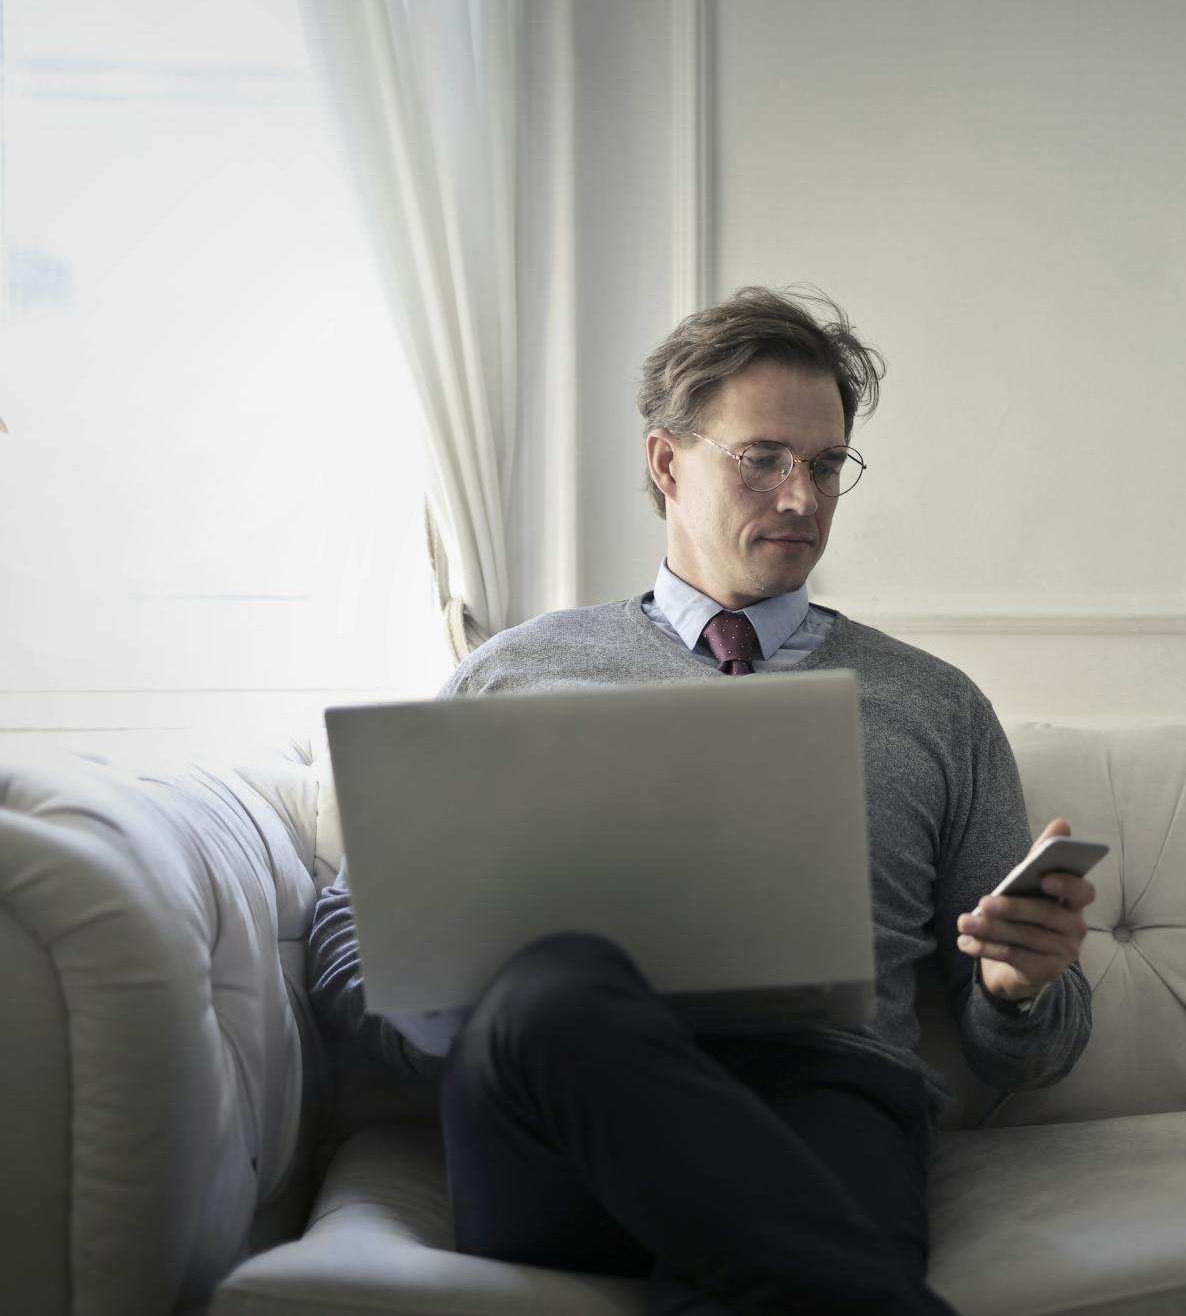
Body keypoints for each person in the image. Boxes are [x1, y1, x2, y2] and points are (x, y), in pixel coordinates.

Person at [308, 286, 1096, 1315]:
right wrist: (467, 1001)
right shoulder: (512, 673)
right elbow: (341, 939)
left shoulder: (933, 706)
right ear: (666, 462)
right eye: (762, 459)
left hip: (821, 1100)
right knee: (558, 983)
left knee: (766, 1236)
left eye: (823, 467)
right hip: (553, 1108)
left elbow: (1029, 1052)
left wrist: (1017, 987)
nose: (801, 499)